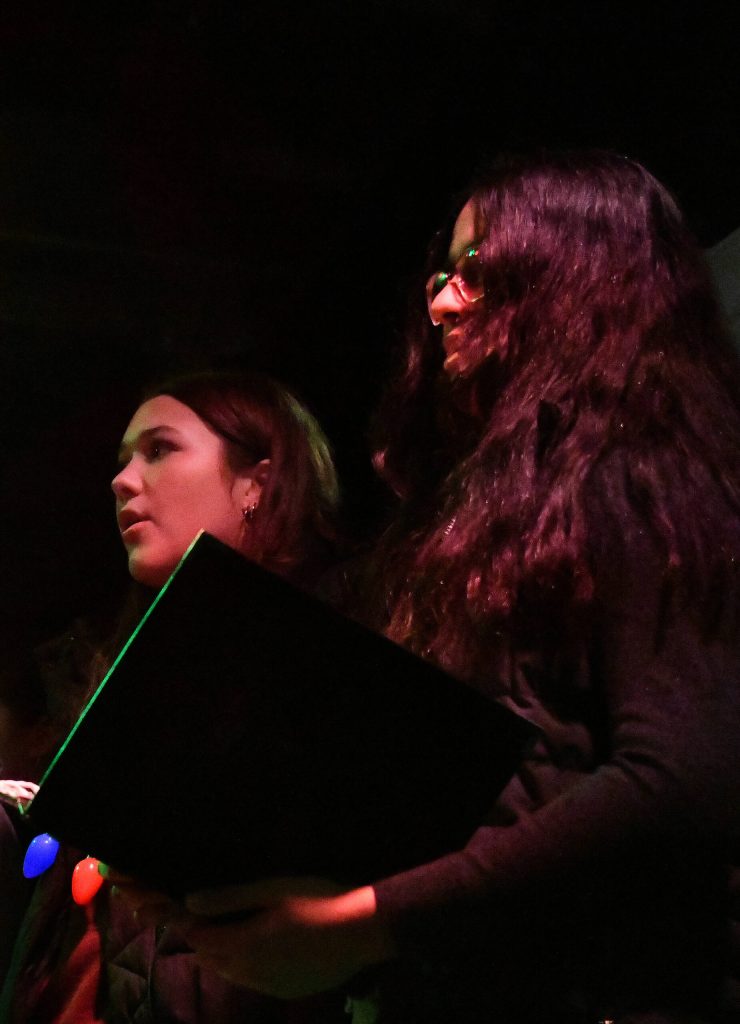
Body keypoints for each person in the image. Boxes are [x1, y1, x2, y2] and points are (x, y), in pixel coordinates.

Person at [122, 152, 740, 1024]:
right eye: (444, 275)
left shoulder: (640, 472)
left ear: (575, 272)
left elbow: (684, 780)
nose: (442, 302)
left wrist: (361, 923)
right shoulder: (494, 518)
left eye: (478, 272)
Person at [0, 368, 346, 1023]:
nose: (123, 481)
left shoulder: (336, 669)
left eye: (159, 450)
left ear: (258, 483)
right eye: (124, 459)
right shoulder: (119, 670)